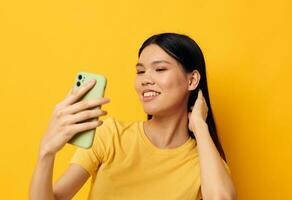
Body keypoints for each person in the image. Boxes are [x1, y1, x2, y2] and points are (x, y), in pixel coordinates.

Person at [30, 32, 236, 200]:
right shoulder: (109, 134)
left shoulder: (205, 162)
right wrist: (46, 152)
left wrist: (199, 125)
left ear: (192, 81)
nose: (145, 80)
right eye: (140, 71)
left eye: (160, 69)